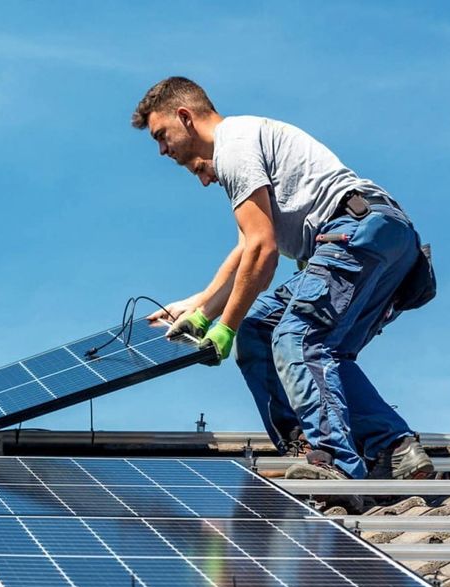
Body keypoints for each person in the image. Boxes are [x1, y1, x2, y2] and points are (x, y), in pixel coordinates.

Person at [134, 77, 433, 481]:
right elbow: (246, 250)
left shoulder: (232, 146)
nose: (162, 150)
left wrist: (223, 328)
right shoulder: (247, 141)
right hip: (384, 239)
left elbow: (263, 253)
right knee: (263, 332)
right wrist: (199, 305)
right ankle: (394, 447)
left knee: (297, 337)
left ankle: (331, 462)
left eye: (161, 135)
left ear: (184, 117)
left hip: (351, 233)